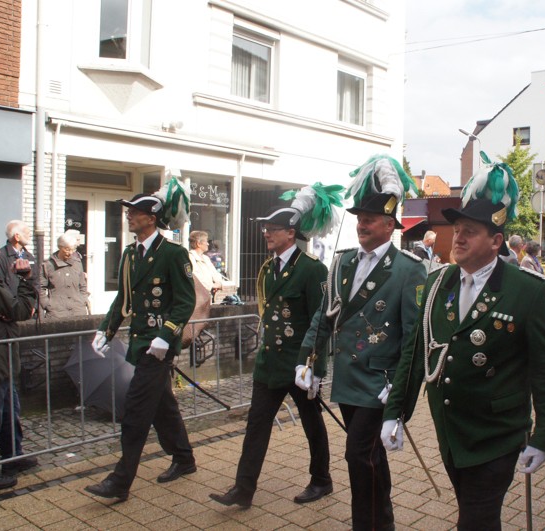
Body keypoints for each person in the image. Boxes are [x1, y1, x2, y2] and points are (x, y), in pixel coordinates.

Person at [381, 153, 545, 531]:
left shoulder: (527, 291)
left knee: (475, 520)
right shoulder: (438, 283)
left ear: (496, 240)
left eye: (470, 231)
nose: (459, 237)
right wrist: (394, 412)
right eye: (457, 229)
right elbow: (415, 354)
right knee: (476, 516)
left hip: (496, 435)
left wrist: (544, 436)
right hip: (451, 431)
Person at [296, 155, 426, 531]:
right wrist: (308, 360)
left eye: (369, 219)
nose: (361, 224)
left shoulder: (408, 269)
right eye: (358, 218)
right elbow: (324, 316)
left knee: (357, 456)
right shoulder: (343, 263)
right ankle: (382, 522)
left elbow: (414, 340)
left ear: (389, 225)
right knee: (369, 458)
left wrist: (400, 395)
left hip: (379, 385)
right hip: (349, 380)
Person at [210, 183, 342, 509]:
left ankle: (321, 479)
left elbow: (321, 322)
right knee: (256, 425)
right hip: (269, 364)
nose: (266, 233)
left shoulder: (312, 269)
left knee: (312, 424)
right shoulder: (268, 269)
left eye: (273, 229)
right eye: (266, 228)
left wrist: (315, 369)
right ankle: (243, 488)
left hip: (298, 365)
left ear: (291, 233)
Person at [84, 178, 197, 501]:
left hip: (158, 347)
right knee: (162, 406)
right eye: (129, 212)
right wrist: (105, 331)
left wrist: (165, 336)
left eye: (135, 212)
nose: (129, 216)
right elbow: (124, 299)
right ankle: (184, 458)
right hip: (140, 343)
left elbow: (185, 301)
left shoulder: (173, 253)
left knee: (135, 410)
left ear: (152, 217)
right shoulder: (131, 255)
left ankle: (120, 481)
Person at [0, 228, 37, 490]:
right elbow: (20, 310)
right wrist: (25, 281)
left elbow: (9, 311)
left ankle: (12, 457)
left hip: (0, 362)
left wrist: (6, 314)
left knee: (7, 416)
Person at [41, 232, 90, 319]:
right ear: (59, 247)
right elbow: (40, 287)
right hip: (56, 312)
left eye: (73, 249)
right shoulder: (48, 265)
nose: (70, 252)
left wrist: (83, 299)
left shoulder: (77, 263)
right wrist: (47, 304)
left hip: (78, 310)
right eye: (67, 249)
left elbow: (82, 285)